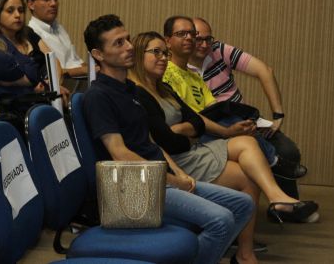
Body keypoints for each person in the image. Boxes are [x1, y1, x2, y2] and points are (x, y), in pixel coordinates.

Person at [129, 31, 319, 259]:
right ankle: (247, 251)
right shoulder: (137, 93)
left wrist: (185, 129)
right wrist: (187, 132)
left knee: (247, 143)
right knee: (248, 175)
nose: (162, 58)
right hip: (176, 160)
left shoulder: (163, 89)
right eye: (156, 52)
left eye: (164, 53)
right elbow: (166, 140)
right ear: (139, 54)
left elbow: (197, 121)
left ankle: (273, 201)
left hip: (190, 151)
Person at [82, 14, 254, 264]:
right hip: (133, 187)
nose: (129, 47)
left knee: (244, 203)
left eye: (127, 39)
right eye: (118, 43)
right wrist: (171, 179)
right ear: (98, 54)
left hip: (159, 177)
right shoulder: (98, 96)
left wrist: (179, 174)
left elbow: (150, 142)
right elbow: (120, 154)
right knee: (221, 220)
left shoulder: (130, 89)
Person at [162, 16, 309, 191]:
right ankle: (274, 167)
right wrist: (228, 131)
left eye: (204, 38)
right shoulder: (167, 72)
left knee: (287, 150)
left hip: (231, 116)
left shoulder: (211, 58)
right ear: (168, 41)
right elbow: (191, 116)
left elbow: (263, 71)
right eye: (194, 37)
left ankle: (285, 200)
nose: (202, 44)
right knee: (247, 145)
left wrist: (276, 115)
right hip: (207, 128)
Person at [26, 0, 88, 78]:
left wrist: (94, 69)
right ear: (31, 5)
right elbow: (52, 73)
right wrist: (85, 70)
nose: (53, 3)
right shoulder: (31, 35)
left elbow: (76, 61)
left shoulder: (59, 28)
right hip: (62, 84)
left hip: (80, 81)